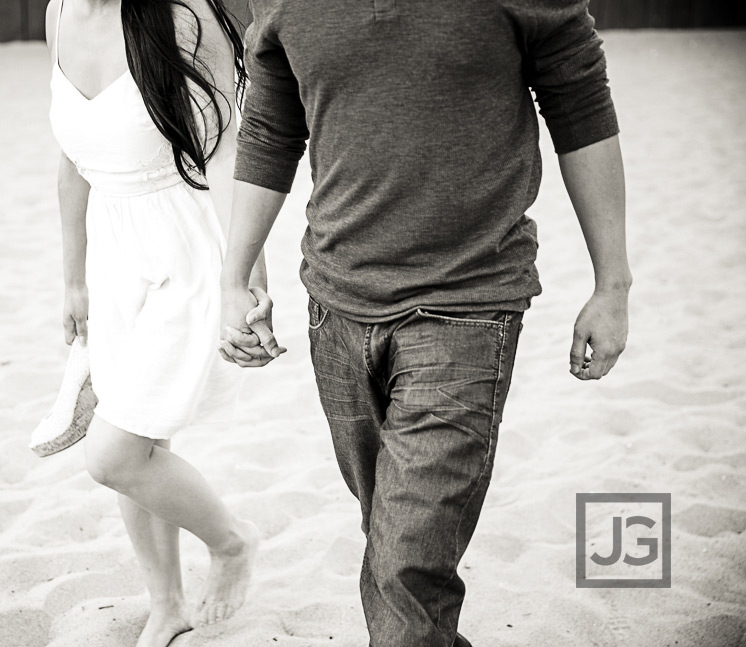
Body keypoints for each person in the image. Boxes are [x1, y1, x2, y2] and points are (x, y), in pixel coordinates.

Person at [219, 2, 631, 646]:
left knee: (406, 561)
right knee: (393, 537)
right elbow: (271, 127)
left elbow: (581, 109)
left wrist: (613, 283)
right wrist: (234, 275)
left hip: (469, 305)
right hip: (336, 305)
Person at [44, 1, 262, 645]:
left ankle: (231, 543)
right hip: (114, 253)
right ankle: (167, 604)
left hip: (186, 248)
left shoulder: (184, 16)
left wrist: (245, 278)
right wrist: (74, 279)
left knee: (113, 453)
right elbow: (69, 156)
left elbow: (226, 156)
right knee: (144, 445)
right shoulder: (57, 13)